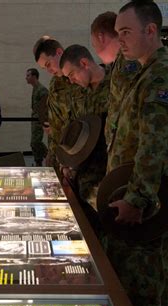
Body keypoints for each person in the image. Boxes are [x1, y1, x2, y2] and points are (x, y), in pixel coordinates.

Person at [105, 1, 168, 306]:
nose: (120, 40)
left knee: (144, 285)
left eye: (125, 32)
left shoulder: (160, 76)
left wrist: (137, 199)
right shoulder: (145, 73)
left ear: (150, 30)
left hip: (147, 208)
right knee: (160, 279)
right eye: (116, 33)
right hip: (144, 200)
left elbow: (155, 143)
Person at [59, 45, 109, 210]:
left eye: (72, 74)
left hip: (110, 174)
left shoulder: (116, 86)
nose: (71, 81)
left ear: (84, 63)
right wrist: (66, 162)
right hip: (84, 176)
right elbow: (73, 128)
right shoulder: (77, 93)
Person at [33, 37, 87, 173]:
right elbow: (54, 124)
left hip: (84, 151)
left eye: (48, 64)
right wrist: (52, 154)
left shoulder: (83, 75)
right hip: (62, 153)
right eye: (44, 68)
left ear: (59, 52)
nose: (48, 70)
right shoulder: (55, 84)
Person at [91, 11, 141, 146]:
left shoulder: (126, 63)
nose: (95, 50)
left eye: (94, 44)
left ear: (101, 37)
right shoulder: (120, 64)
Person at [25, 68, 49, 166]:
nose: (26, 78)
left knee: (35, 142)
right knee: (34, 143)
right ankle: (38, 162)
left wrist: (43, 122)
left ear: (34, 76)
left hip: (39, 120)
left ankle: (49, 156)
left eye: (28, 75)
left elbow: (44, 108)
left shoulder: (41, 90)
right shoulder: (35, 88)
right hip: (35, 119)